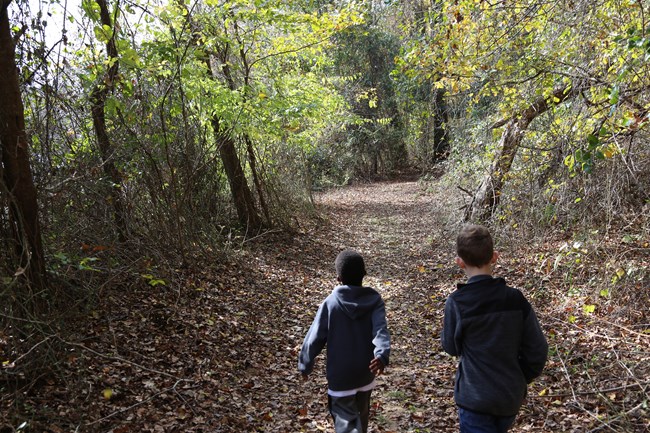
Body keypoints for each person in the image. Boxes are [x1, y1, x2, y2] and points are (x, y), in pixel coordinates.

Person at [441, 224, 548, 433]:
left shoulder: (458, 302)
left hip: (475, 399)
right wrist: (520, 377)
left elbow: (451, 347)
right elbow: (538, 349)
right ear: (495, 257)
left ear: (459, 262)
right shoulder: (515, 299)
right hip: (509, 397)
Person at [298, 249, 390, 433]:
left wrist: (305, 364)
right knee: (361, 419)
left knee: (345, 425)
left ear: (338, 278)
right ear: (364, 274)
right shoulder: (375, 301)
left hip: (341, 378)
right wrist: (381, 355)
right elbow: (381, 331)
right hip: (366, 373)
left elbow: (314, 338)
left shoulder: (330, 303)